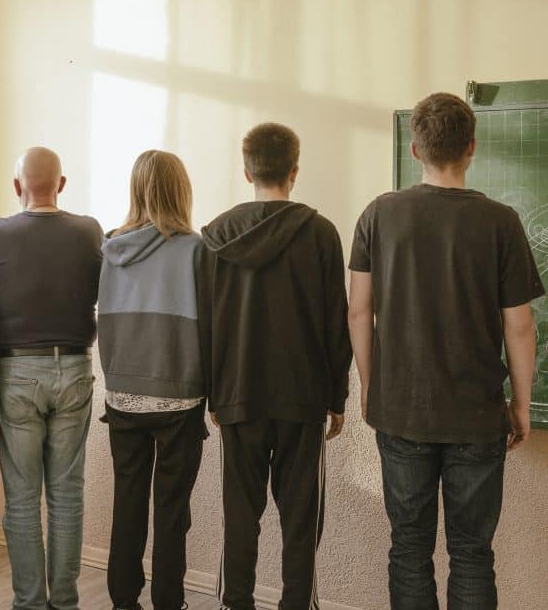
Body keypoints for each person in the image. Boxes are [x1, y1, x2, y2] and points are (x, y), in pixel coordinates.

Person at [348, 92, 542, 609]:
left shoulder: (378, 214)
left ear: (414, 150)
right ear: (472, 148)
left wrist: (370, 385)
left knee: (408, 549)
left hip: (402, 410)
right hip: (477, 415)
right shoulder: (500, 222)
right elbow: (520, 328)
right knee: (473, 554)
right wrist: (520, 405)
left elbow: (357, 311)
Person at [201, 123, 352, 610]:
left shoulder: (216, 237)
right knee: (301, 521)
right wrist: (336, 399)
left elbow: (205, 324)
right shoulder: (321, 233)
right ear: (294, 171)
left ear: (247, 172)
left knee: (240, 518)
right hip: (303, 400)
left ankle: (235, 604)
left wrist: (213, 394)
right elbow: (337, 323)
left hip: (237, 397)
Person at [0, 147, 103, 610]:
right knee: (67, 495)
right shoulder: (90, 231)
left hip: (15, 372)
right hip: (73, 367)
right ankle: (64, 602)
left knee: (22, 500)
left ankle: (29, 602)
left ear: (17, 188)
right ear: (62, 184)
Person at [98, 149, 210, 610]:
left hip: (121, 392)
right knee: (171, 510)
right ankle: (169, 600)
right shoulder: (196, 250)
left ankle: (123, 600)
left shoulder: (110, 248)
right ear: (181, 191)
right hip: (179, 396)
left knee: (127, 502)